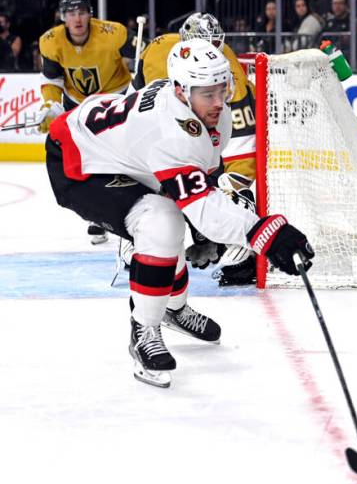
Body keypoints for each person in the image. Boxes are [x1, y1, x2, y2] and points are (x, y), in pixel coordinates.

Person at [44, 39, 314, 388]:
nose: (219, 102)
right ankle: (144, 329)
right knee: (161, 221)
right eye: (208, 94)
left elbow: (203, 173)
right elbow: (205, 209)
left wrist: (206, 233)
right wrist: (270, 235)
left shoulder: (210, 112)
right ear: (182, 92)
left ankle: (172, 308)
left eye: (223, 88)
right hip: (78, 165)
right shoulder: (168, 132)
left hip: (124, 154)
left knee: (168, 217)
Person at [133, 12, 260, 285]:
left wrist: (231, 195)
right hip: (170, 142)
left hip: (217, 149)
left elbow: (241, 141)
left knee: (226, 188)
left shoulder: (228, 76)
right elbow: (136, 100)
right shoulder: (157, 51)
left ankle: (239, 252)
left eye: (216, 46)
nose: (212, 54)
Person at [38, 0, 136, 245]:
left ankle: (137, 209)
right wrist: (50, 104)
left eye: (82, 12)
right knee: (89, 161)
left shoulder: (113, 34)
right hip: (78, 104)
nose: (77, 19)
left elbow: (140, 61)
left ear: (90, 14)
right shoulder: (50, 41)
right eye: (71, 14)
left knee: (122, 157)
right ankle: (100, 216)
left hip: (114, 100)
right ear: (63, 17)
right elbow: (52, 78)